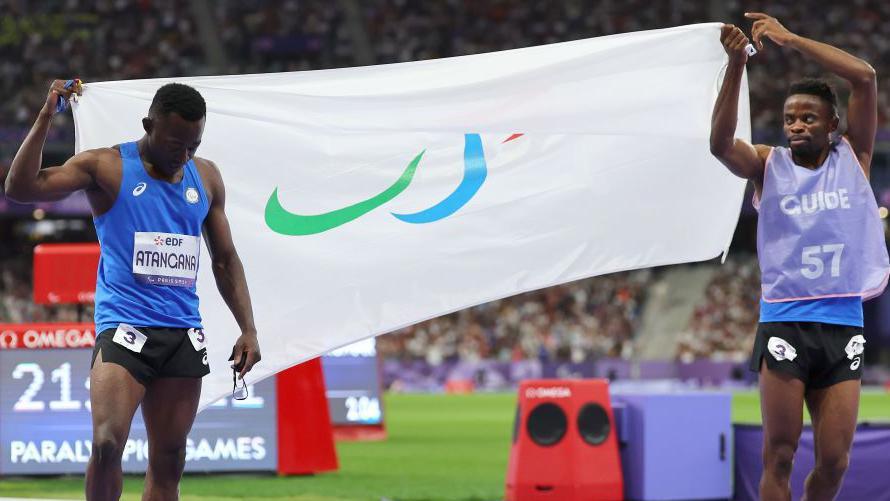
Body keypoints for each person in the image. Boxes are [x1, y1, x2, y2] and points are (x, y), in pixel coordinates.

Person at [4, 80, 261, 501]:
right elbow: (19, 189)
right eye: (176, 143)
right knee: (107, 443)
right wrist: (47, 114)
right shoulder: (106, 168)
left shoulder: (207, 177)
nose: (185, 155)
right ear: (149, 125)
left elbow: (225, 259)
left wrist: (248, 328)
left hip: (182, 333)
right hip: (124, 328)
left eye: (193, 144)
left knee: (170, 458)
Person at [710, 12, 887, 501]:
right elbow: (721, 145)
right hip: (786, 321)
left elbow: (864, 77)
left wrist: (790, 38)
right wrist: (734, 66)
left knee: (834, 462)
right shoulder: (769, 165)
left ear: (833, 124)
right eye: (789, 118)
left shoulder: (855, 157)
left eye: (808, 118)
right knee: (781, 454)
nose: (796, 126)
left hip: (842, 320)